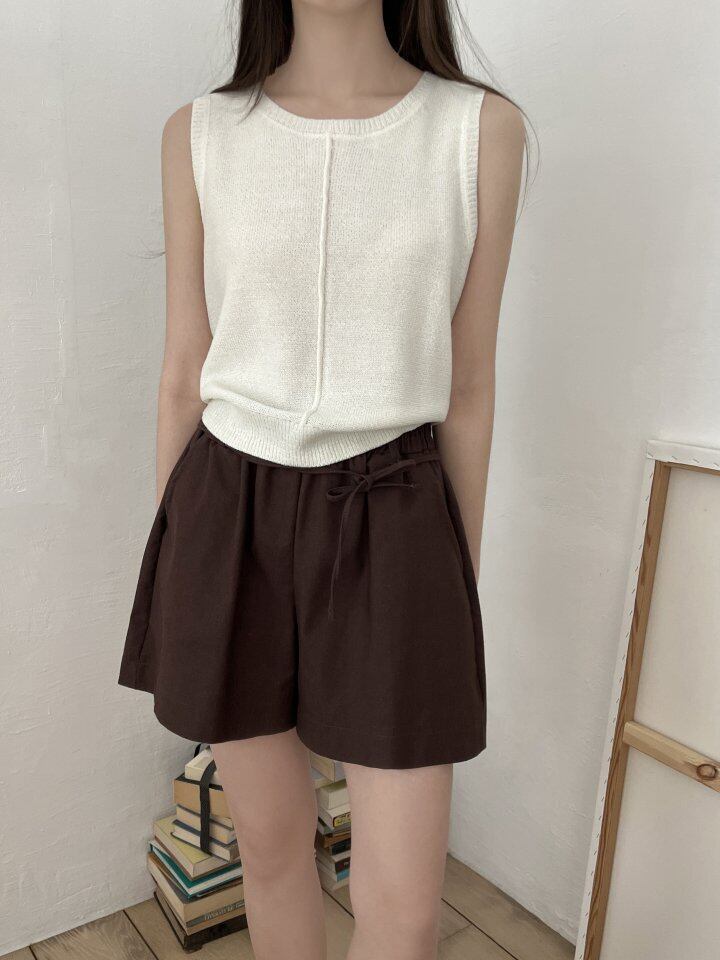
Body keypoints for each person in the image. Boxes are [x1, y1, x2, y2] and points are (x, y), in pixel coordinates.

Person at [118, 1, 526, 957]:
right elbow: (185, 369)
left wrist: (455, 575)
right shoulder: (200, 133)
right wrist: (179, 565)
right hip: (226, 510)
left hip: (398, 510)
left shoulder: (478, 129)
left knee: (405, 907)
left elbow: (469, 388)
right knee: (268, 849)